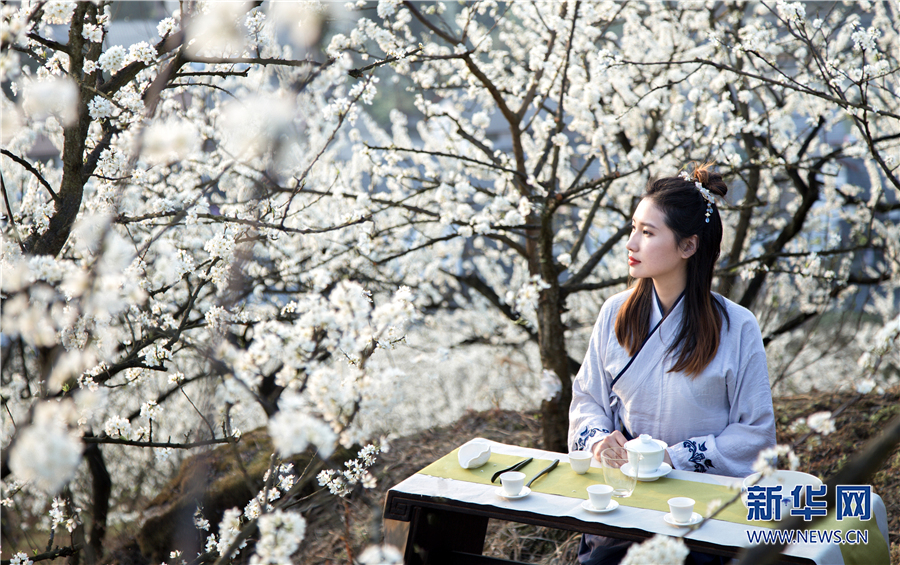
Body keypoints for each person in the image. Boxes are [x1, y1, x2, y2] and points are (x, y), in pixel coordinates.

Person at [568, 164, 777, 565]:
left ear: (688, 246)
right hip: (624, 496)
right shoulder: (615, 312)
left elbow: (756, 435)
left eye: (647, 233)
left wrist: (672, 458)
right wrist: (599, 439)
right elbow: (586, 400)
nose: (631, 243)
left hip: (700, 502)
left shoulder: (737, 326)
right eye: (633, 228)